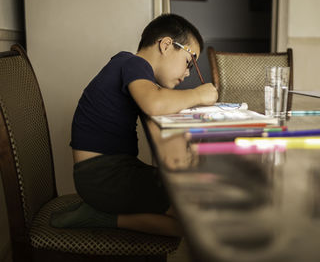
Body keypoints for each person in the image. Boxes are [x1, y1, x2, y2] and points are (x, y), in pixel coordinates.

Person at [50, 13, 218, 236]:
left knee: (191, 206)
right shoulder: (134, 63)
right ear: (166, 45)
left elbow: (158, 101)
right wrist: (198, 94)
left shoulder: (132, 67)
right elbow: (155, 104)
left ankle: (103, 213)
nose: (187, 73)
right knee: (197, 212)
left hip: (105, 174)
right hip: (103, 178)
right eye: (189, 62)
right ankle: (103, 216)